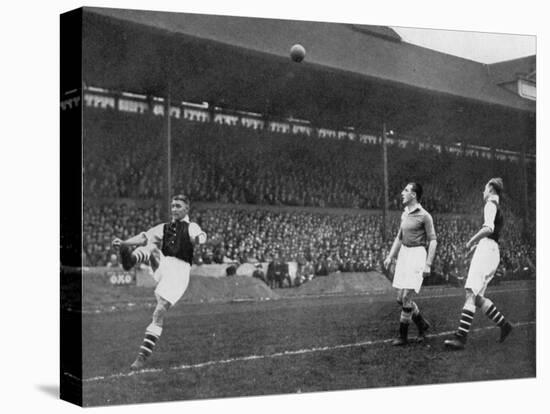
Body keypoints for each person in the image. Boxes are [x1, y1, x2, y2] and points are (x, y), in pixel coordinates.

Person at [112, 194, 207, 369]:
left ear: (187, 209)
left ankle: (142, 356)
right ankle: (129, 258)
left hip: (178, 273)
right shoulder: (164, 227)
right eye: (172, 206)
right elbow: (143, 237)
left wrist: (199, 240)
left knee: (159, 312)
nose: (174, 209)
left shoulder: (191, 226)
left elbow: (200, 235)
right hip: (164, 266)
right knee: (152, 246)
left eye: (178, 206)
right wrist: (125, 242)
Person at [444, 178, 512, 350]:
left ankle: (461, 338)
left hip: (487, 251)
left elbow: (488, 228)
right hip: (491, 251)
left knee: (470, 292)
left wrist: (470, 241)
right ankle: (504, 325)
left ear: (490, 189)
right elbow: (492, 234)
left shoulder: (490, 204)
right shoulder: (498, 207)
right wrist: (477, 245)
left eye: (484, 188)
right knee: (478, 297)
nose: (483, 192)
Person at [383, 183, 437, 346]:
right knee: (400, 298)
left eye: (405, 190)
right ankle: (421, 324)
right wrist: (390, 256)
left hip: (417, 255)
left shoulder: (425, 216)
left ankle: (403, 336)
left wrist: (428, 264)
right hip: (404, 255)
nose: (402, 193)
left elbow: (433, 241)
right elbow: (399, 237)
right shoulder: (404, 214)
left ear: (414, 195)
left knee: (407, 296)